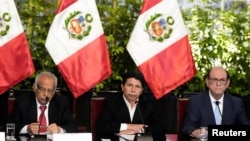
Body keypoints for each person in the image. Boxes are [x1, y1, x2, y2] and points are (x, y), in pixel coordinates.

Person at [181, 66, 250, 138]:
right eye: (214, 79)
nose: (218, 84)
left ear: (227, 83)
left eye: (222, 80)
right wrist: (197, 133)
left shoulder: (236, 103)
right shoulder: (196, 101)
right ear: (207, 82)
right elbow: (187, 127)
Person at [96, 70, 166, 141]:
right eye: (130, 85)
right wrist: (127, 126)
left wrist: (138, 130)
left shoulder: (150, 104)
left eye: (137, 87)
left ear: (142, 90)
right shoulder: (111, 102)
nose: (133, 90)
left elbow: (160, 128)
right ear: (122, 87)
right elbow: (102, 127)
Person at [9, 71, 77, 137]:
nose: (46, 94)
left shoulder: (61, 102)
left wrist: (59, 130)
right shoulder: (22, 102)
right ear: (34, 88)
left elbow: (72, 126)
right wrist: (27, 128)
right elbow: (10, 125)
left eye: (50, 90)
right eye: (42, 89)